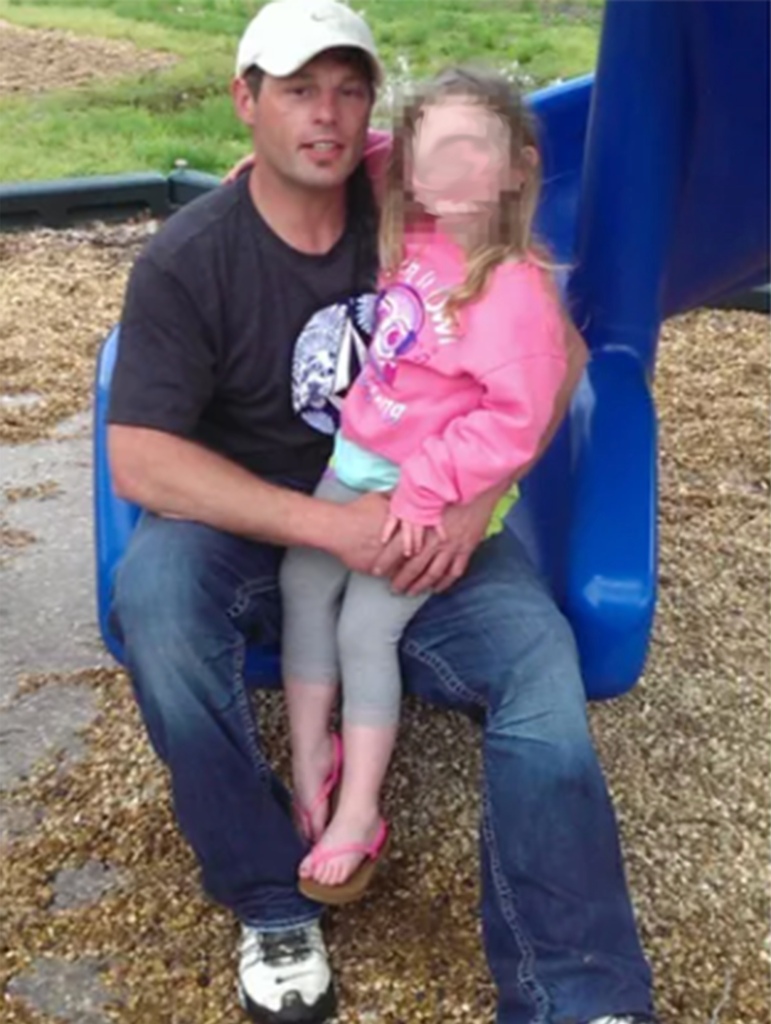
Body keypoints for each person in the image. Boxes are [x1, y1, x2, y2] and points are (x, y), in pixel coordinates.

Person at [107, 1, 657, 1022]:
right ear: (246, 101)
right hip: (253, 517)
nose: (325, 113)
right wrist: (327, 527)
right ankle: (273, 897)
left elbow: (555, 362)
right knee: (156, 599)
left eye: (347, 88)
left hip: (424, 513)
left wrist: (472, 505)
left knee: (540, 661)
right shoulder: (191, 258)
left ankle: (577, 991)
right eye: (297, 89)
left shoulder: (412, 202)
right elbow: (138, 460)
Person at [281, 66, 570, 906]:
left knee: (365, 627)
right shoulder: (419, 235)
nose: (442, 167)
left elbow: (514, 421)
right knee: (302, 580)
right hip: (359, 460)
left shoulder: (514, 293)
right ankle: (310, 759)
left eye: (467, 150)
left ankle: (357, 812)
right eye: (427, 151)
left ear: (516, 166)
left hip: (429, 488)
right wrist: (268, 167)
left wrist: (428, 492)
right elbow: (377, 155)